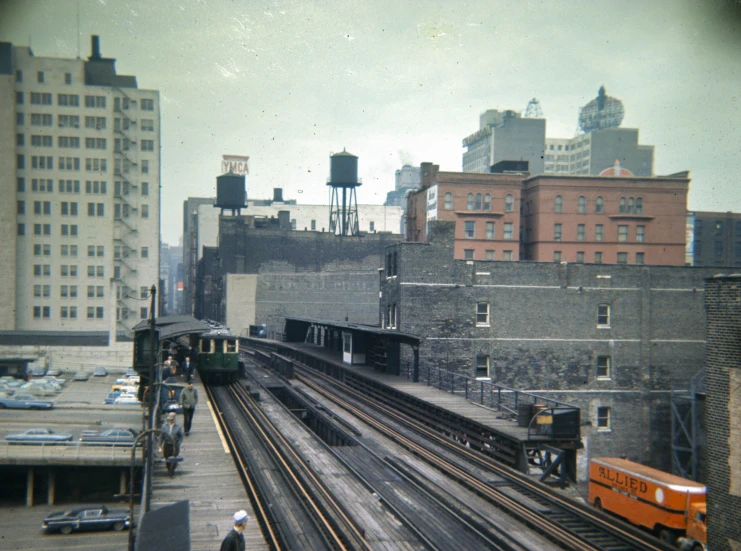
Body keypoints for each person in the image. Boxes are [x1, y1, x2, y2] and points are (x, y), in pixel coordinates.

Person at [161, 411, 184, 477]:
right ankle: (169, 470)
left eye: (172, 419)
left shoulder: (178, 427)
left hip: (175, 445)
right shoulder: (164, 426)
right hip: (167, 445)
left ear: (174, 419)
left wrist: (178, 443)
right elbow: (161, 435)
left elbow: (181, 436)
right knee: (167, 458)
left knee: (174, 458)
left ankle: (171, 472)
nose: (170, 420)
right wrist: (160, 444)